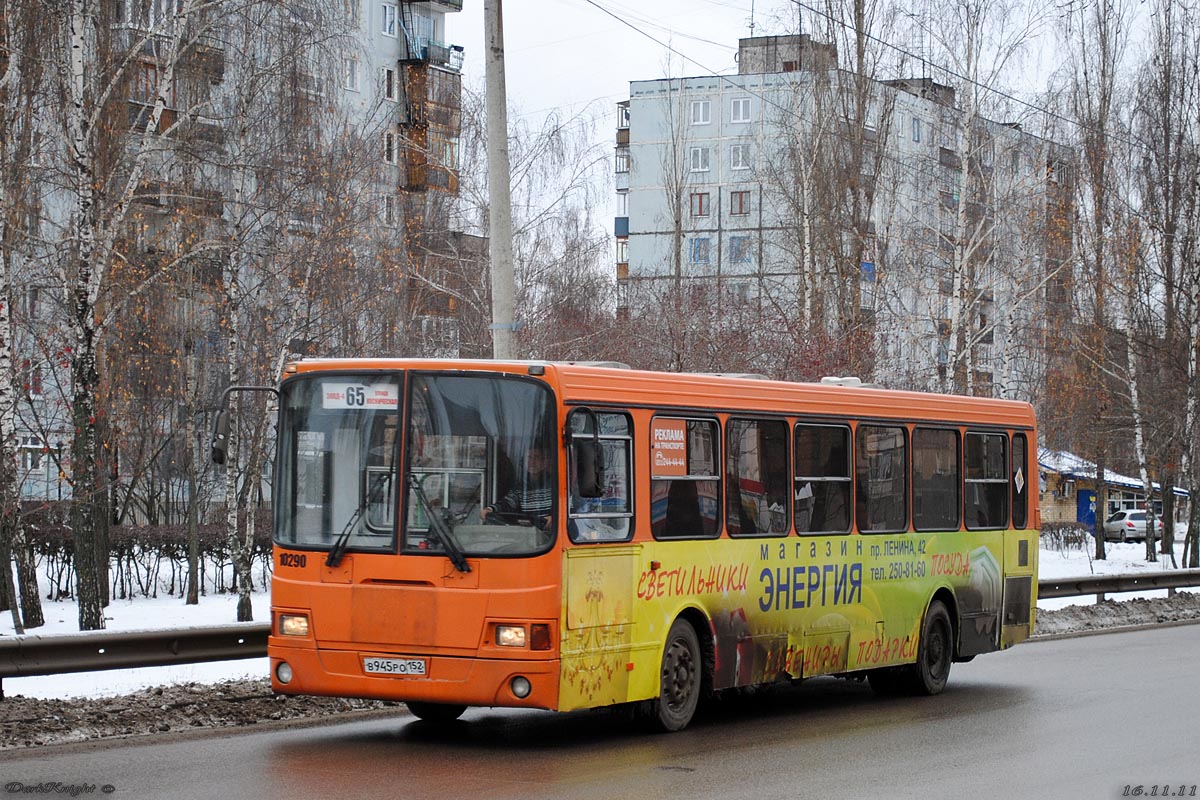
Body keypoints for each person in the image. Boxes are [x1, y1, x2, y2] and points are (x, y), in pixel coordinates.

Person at [481, 446, 552, 527]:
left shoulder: (555, 486)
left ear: (544, 462)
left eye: (536, 457)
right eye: (529, 458)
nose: (532, 462)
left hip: (552, 534)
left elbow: (566, 508)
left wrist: (556, 517)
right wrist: (490, 509)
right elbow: (508, 502)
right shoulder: (521, 487)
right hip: (530, 533)